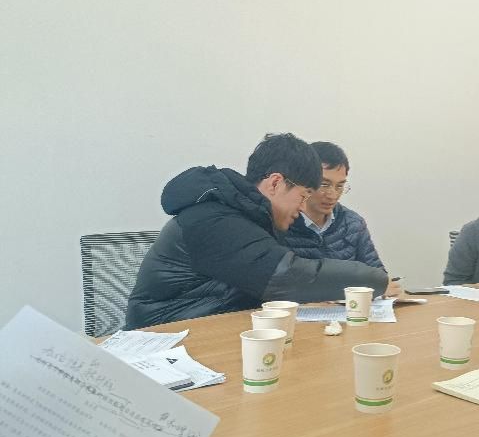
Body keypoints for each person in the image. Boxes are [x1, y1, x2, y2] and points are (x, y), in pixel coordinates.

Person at [125, 133, 388, 329]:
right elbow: (290, 277)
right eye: (303, 195)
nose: (302, 207)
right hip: (164, 339)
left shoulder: (249, 218)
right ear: (275, 183)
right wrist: (376, 281)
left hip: (211, 329)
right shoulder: (215, 219)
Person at [279, 141, 400, 297]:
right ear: (304, 181)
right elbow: (278, 286)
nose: (332, 195)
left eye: (340, 186)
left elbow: (379, 278)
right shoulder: (282, 223)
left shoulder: (353, 223)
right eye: (324, 184)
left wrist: (382, 286)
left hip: (348, 309)